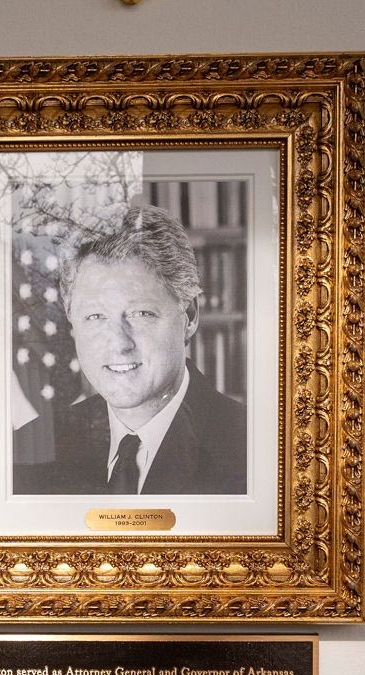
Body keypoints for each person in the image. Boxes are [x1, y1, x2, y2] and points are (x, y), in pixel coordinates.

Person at [12, 203, 246, 494]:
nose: (119, 344)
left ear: (190, 316)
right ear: (71, 321)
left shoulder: (254, 448)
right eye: (95, 316)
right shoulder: (31, 451)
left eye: (141, 314)